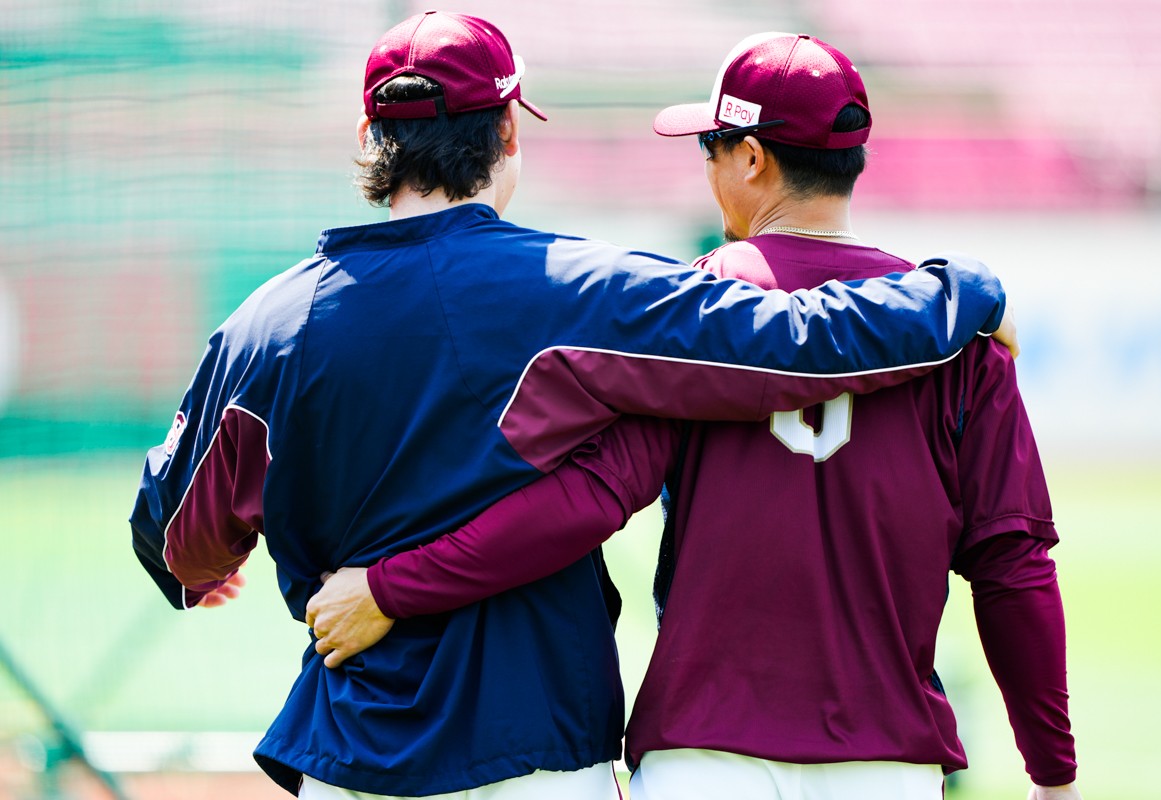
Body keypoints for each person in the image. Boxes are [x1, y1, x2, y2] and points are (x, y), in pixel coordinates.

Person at [130, 12, 1014, 800]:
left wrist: (203, 567)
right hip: (540, 745)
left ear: (369, 134)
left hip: (354, 749)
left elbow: (172, 539)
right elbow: (800, 342)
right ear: (508, 129)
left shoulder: (264, 329)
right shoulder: (583, 291)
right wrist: (962, 291)